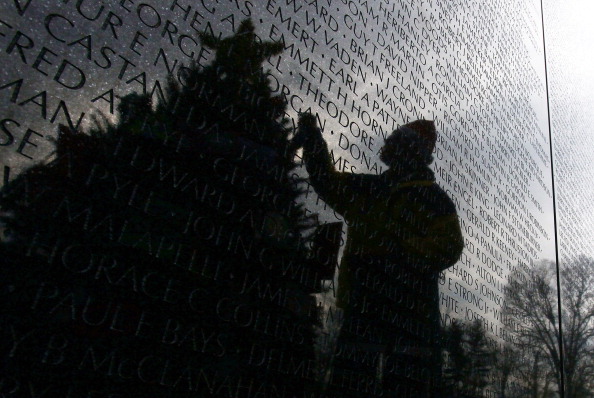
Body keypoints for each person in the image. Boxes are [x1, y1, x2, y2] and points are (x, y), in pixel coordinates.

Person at [295, 113, 464, 397]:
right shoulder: (369, 187)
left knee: (405, 383)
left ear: (413, 152)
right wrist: (313, 140)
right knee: (351, 379)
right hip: (365, 300)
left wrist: (399, 251)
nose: (387, 146)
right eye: (391, 142)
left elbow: (450, 247)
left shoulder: (435, 198)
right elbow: (325, 180)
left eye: (396, 142)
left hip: (412, 308)